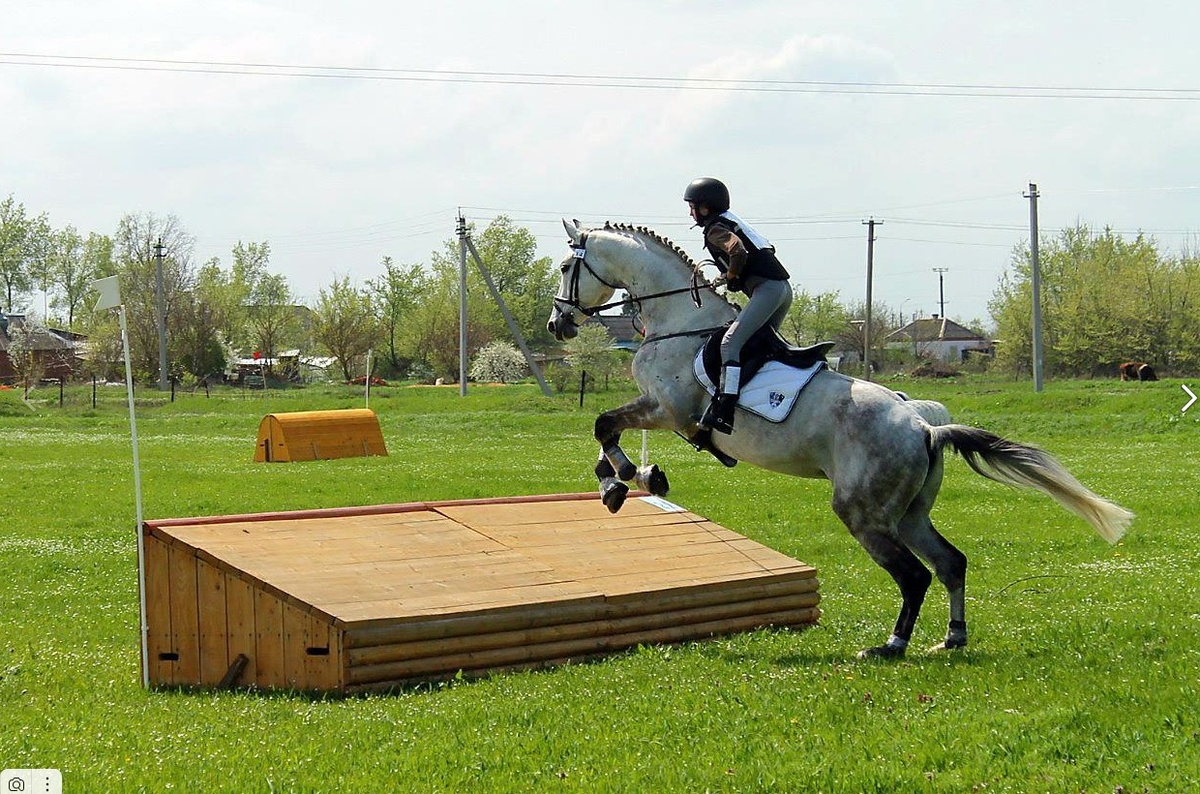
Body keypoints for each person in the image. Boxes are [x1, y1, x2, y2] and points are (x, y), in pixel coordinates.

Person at [684, 177, 793, 434]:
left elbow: (738, 252)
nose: (690, 212)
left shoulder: (715, 228)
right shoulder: (733, 221)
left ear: (706, 207)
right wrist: (726, 276)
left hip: (767, 290)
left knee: (730, 343)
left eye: (693, 206)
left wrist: (732, 276)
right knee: (758, 346)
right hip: (781, 290)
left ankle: (724, 409)